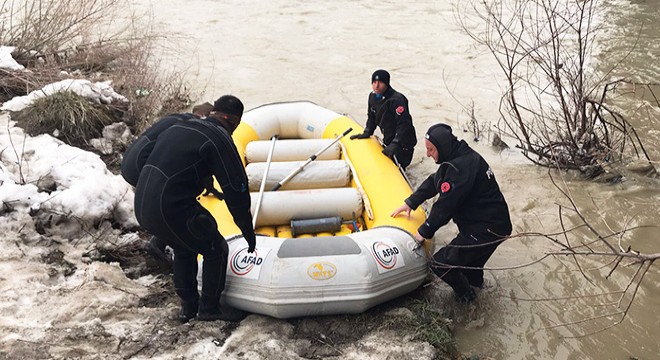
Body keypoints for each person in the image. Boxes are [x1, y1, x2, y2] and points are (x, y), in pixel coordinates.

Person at [132, 95, 256, 322]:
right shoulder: (219, 138)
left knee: (185, 247)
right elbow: (236, 189)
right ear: (235, 123)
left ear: (213, 112)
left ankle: (188, 308)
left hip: (142, 205)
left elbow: (145, 157)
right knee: (215, 248)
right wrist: (247, 231)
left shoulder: (180, 126)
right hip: (169, 207)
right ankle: (209, 309)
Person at [391, 123, 512, 303]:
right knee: (471, 268)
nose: (427, 154)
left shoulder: (460, 169)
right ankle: (479, 295)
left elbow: (445, 206)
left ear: (442, 147)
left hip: (487, 229)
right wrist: (411, 203)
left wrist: (424, 231)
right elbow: (436, 181)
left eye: (431, 150)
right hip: (494, 224)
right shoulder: (458, 156)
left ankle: (468, 300)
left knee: (441, 264)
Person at [121, 102, 222, 265]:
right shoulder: (190, 128)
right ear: (204, 117)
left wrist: (208, 185)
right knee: (175, 194)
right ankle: (161, 242)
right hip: (141, 166)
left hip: (129, 162)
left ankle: (161, 237)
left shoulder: (175, 118)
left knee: (169, 193)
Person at [349, 69, 417, 170]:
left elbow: (404, 124)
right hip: (388, 139)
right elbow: (371, 116)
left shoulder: (397, 100)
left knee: (399, 170)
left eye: (380, 83)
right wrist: (368, 131)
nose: (376, 86)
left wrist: (396, 143)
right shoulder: (372, 97)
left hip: (403, 143)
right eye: (374, 82)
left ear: (387, 83)